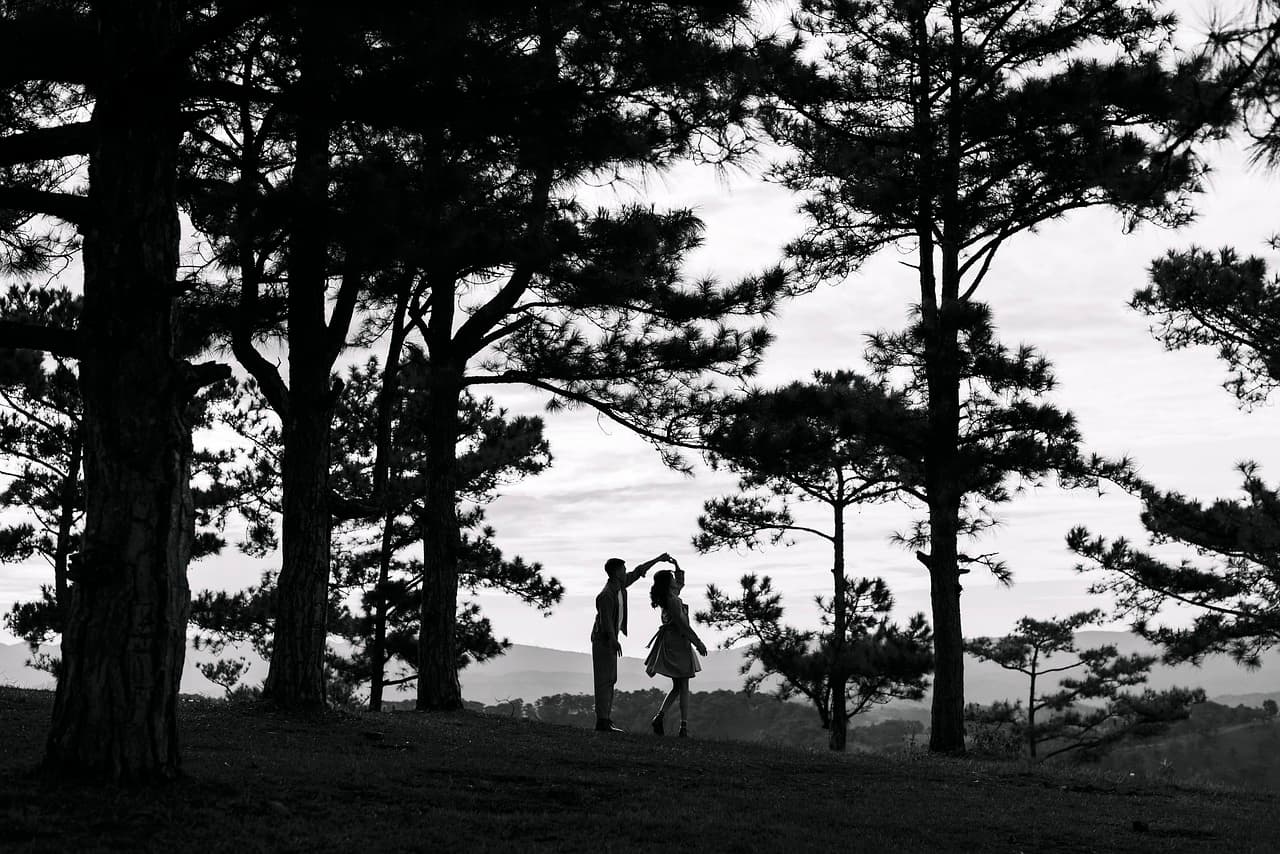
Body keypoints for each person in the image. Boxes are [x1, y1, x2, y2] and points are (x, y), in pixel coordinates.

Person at [591, 552, 672, 733]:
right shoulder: (606, 594)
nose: (626, 571)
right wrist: (613, 639)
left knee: (610, 679)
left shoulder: (619, 585)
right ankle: (602, 721)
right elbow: (605, 621)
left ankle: (605, 719)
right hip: (603, 641)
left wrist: (658, 559)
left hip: (610, 640)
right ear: (616, 572)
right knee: (604, 680)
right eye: (623, 569)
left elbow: (639, 571)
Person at [644, 559, 707, 738]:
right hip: (678, 644)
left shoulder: (670, 596)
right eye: (671, 577)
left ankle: (663, 718)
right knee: (683, 684)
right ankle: (683, 727)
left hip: (674, 643)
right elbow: (682, 625)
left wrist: (676, 564)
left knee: (679, 686)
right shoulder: (672, 600)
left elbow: (680, 582)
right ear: (667, 583)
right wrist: (698, 642)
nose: (675, 579)